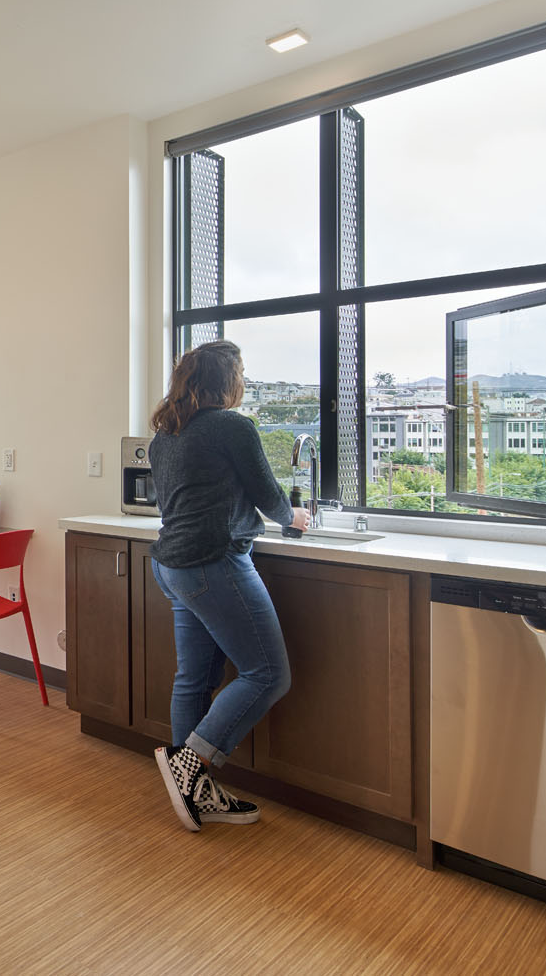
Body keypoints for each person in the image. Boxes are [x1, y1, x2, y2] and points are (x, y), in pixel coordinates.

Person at [146, 339, 310, 832]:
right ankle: (190, 765)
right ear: (227, 382)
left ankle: (194, 790)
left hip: (171, 567)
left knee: (193, 678)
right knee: (268, 675)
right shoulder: (233, 427)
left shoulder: (164, 435)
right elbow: (267, 494)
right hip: (212, 565)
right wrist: (294, 517)